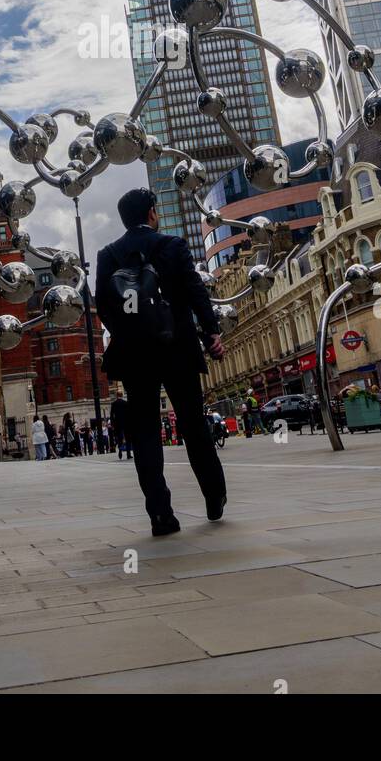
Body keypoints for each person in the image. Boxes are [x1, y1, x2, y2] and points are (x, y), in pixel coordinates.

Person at [95, 186, 226, 536]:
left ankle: (161, 515)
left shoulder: (108, 255)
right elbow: (195, 290)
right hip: (178, 348)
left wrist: (129, 330)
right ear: (153, 213)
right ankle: (214, 498)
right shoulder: (172, 245)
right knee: (193, 426)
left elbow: (104, 308)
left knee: (146, 433)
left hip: (136, 355)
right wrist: (211, 331)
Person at [110, 395, 131, 460]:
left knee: (119, 438)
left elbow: (111, 415)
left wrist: (112, 424)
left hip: (117, 424)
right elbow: (128, 414)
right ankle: (128, 454)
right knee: (128, 438)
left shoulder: (114, 404)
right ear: (121, 395)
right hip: (126, 423)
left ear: (117, 396)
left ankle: (120, 451)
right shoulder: (125, 403)